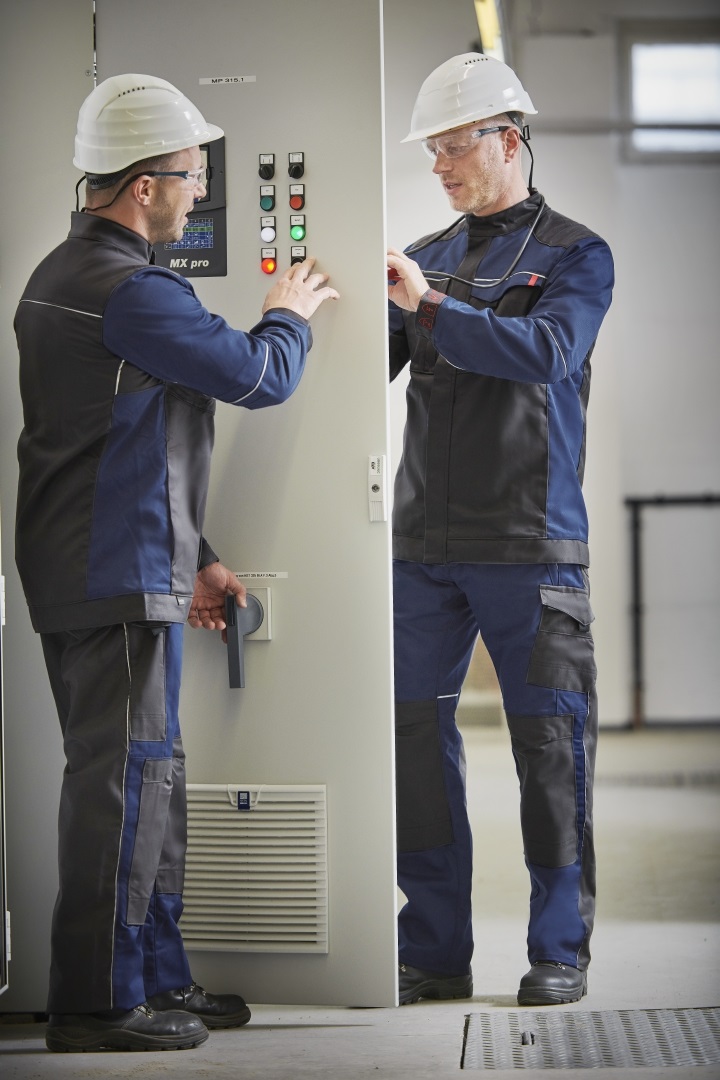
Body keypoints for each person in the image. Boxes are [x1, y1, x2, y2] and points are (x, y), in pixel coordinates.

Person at [14, 73, 338, 1053]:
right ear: (145, 184)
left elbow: (122, 438)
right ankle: (98, 1001)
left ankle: (155, 975)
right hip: (112, 569)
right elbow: (258, 376)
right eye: (194, 176)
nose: (202, 193)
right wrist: (289, 310)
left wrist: (196, 557)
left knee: (148, 773)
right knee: (121, 780)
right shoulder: (130, 291)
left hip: (115, 557)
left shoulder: (65, 276)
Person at [386, 54, 614, 1008]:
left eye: (453, 148)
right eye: (432, 152)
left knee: (549, 748)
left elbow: (548, 352)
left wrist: (430, 305)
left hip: (532, 544)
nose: (439, 166)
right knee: (413, 744)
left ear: (509, 141)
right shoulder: (423, 254)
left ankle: (559, 949)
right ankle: (434, 951)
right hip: (422, 549)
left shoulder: (576, 255)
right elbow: (358, 371)